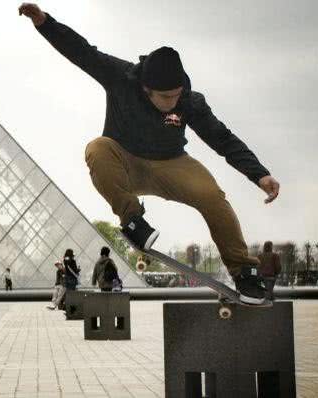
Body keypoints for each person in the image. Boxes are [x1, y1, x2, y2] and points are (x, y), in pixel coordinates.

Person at [18, 3, 278, 305]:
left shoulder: (190, 102)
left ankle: (243, 271)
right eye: (166, 97)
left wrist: (259, 174)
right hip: (124, 161)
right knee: (97, 148)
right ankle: (132, 220)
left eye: (177, 95)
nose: (173, 102)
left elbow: (222, 138)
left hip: (172, 164)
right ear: (145, 88)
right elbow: (83, 52)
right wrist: (44, 23)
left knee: (212, 195)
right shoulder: (120, 77)